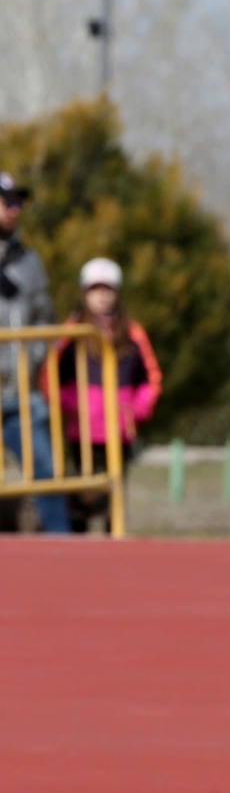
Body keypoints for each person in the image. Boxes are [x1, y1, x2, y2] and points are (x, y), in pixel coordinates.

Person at [53, 258, 162, 533]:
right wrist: (73, 406)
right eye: (94, 290)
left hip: (118, 430)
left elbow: (150, 379)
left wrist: (135, 409)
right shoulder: (73, 331)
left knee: (114, 499)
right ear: (84, 293)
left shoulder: (132, 333)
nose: (101, 296)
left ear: (117, 293)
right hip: (83, 430)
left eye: (107, 289)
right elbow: (52, 376)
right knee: (80, 495)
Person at [0, 171, 70, 534]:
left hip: (19, 393)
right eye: (5, 201)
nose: (13, 209)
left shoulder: (30, 263)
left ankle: (65, 551)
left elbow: (46, 320)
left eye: (17, 202)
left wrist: (33, 361)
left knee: (46, 473)